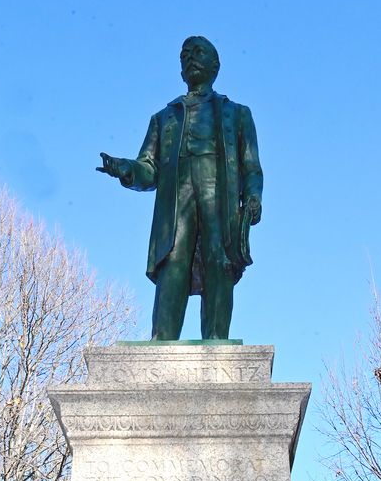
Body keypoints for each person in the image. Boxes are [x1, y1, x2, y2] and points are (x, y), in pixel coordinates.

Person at [97, 36, 263, 341]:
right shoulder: (164, 117)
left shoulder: (238, 114)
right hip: (177, 195)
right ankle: (162, 340)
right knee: (173, 259)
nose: (190, 58)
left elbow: (250, 165)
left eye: (198, 52)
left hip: (220, 193)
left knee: (219, 259)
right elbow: (149, 169)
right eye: (184, 55)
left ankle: (217, 342)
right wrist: (126, 169)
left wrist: (253, 196)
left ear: (215, 65)